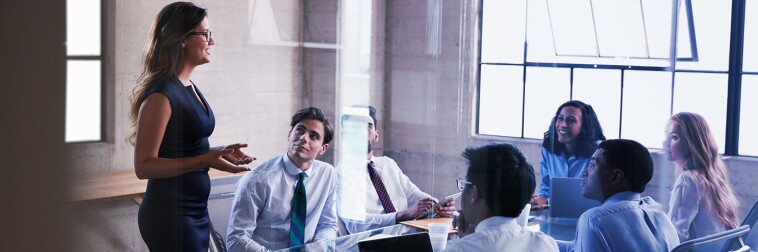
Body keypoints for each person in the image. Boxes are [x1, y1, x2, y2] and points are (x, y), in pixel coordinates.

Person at [130, 2, 255, 251]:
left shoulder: (188, 85)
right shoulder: (161, 96)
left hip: (194, 210)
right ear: (182, 39)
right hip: (170, 215)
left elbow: (183, 146)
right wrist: (205, 160)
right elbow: (144, 166)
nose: (212, 41)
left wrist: (219, 152)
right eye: (205, 34)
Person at [227, 107, 338, 251]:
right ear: (290, 134)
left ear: (323, 148)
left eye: (314, 136)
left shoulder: (327, 174)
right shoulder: (258, 180)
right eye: (300, 130)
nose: (304, 138)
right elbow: (236, 240)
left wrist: (318, 247)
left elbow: (328, 224)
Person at [337, 106, 456, 234]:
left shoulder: (388, 164)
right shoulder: (341, 174)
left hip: (407, 235)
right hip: (372, 244)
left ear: (376, 135)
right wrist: (402, 215)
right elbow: (357, 225)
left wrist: (436, 206)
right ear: (344, 136)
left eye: (368, 126)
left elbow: (412, 194)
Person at [558, 139, 680, 252]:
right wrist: (541, 241)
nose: (584, 172)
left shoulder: (594, 220)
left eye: (593, 164)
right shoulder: (658, 212)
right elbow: (575, 247)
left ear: (615, 177)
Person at [447, 143, 558, 252]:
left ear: (474, 193)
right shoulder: (546, 245)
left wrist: (468, 240)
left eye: (464, 184)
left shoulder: (457, 249)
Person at [666, 112, 739, 249]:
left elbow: (675, 236)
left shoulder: (688, 180)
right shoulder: (712, 178)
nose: (666, 143)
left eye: (674, 137)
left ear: (692, 143)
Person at [531, 100, 606, 209]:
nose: (563, 125)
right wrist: (540, 200)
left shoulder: (599, 150)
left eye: (571, 120)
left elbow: (597, 195)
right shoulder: (548, 149)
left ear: (584, 125)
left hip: (587, 213)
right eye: (560, 118)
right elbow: (546, 187)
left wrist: (547, 200)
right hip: (555, 213)